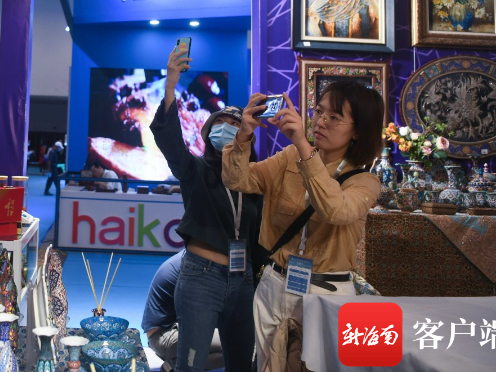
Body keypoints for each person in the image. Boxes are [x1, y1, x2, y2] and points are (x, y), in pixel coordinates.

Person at [222, 80, 383, 372]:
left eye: (334, 117)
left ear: (358, 130)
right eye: (319, 111)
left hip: (326, 293)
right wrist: (243, 134)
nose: (321, 121)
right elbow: (238, 180)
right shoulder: (289, 157)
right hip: (275, 283)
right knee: (268, 366)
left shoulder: (365, 181)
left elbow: (334, 210)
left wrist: (303, 146)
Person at [149, 43, 258, 372]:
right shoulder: (195, 169)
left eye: (233, 124)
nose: (225, 128)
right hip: (201, 277)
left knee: (244, 363)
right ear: (208, 133)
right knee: (191, 364)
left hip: (244, 281)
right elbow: (170, 142)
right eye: (218, 123)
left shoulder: (256, 178)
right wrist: (170, 85)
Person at [142, 250, 224, 372]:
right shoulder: (196, 267)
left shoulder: (192, 257)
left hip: (165, 333)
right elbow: (199, 315)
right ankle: (176, 364)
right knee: (240, 344)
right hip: (165, 336)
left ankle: (176, 363)